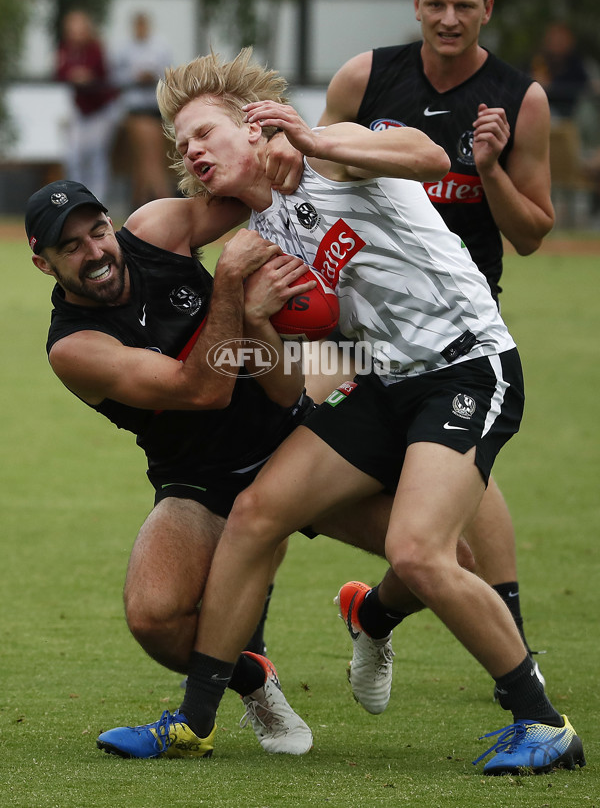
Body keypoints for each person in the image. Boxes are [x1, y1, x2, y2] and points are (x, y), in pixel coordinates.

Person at [104, 47, 584, 775]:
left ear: (253, 121)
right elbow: (287, 385)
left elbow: (426, 155)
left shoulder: (335, 151)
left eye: (204, 132)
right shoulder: (257, 242)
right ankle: (192, 722)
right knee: (259, 509)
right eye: (181, 147)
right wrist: (260, 324)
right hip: (382, 382)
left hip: (467, 365)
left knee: (419, 552)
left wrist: (318, 138)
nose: (190, 151)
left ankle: (542, 722)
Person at [317, 0, 555, 703]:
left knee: (460, 486)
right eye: (435, 4)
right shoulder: (365, 76)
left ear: (487, 10)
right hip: (363, 332)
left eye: (464, 5)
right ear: (415, 5)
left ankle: (494, 642)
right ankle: (252, 663)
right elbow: (315, 185)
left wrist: (485, 170)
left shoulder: (522, 99)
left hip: (457, 331)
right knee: (287, 489)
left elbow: (532, 231)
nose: (449, 18)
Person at [25, 177, 319, 758]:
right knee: (154, 618)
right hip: (198, 479)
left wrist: (262, 147)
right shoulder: (74, 348)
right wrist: (231, 283)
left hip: (292, 439)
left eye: (98, 230)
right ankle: (252, 677)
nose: (96, 252)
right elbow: (203, 390)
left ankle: (375, 612)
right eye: (72, 247)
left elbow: (259, 193)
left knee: (428, 559)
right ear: (44, 264)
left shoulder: (156, 231)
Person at [56, 10, 120, 203]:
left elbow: (102, 72)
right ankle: (76, 199)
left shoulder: (96, 48)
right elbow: (59, 72)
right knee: (73, 155)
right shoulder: (65, 49)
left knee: (96, 155)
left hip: (101, 108)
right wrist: (73, 75)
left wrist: (85, 76)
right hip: (81, 110)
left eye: (79, 28)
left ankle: (97, 201)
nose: (76, 33)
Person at [112, 12, 175, 206]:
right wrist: (134, 77)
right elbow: (114, 77)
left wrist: (152, 75)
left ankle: (145, 201)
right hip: (136, 109)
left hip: (155, 109)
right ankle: (160, 197)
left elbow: (170, 73)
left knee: (148, 158)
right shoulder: (124, 49)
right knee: (146, 157)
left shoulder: (160, 46)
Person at [530, 21, 590, 225]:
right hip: (543, 129)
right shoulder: (539, 60)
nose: (556, 42)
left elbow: (583, 92)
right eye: (553, 37)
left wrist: (550, 86)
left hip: (572, 128)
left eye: (561, 37)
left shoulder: (577, 65)